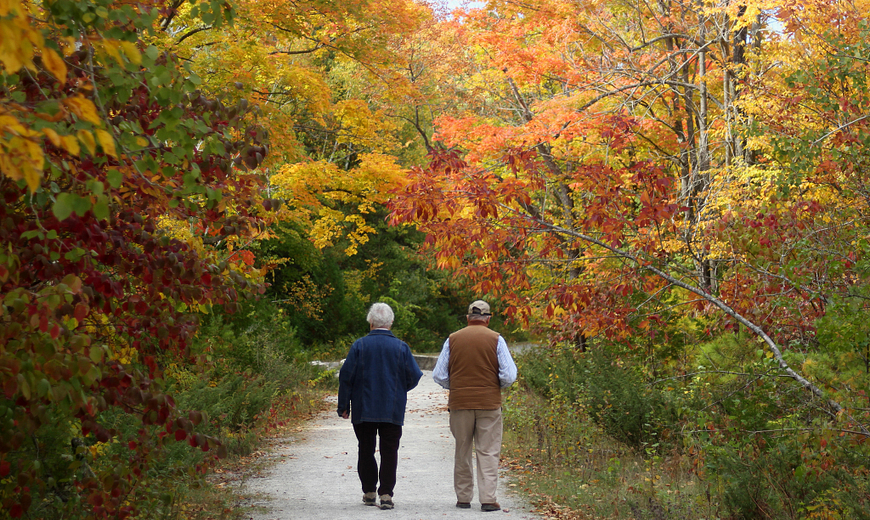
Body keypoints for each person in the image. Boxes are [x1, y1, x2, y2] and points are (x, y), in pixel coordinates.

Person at [433, 299, 518, 512]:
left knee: (462, 449)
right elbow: (509, 375)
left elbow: (439, 374)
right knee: (488, 451)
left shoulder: (452, 339)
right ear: (488, 319)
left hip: (460, 403)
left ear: (468, 318)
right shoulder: (497, 339)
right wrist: (494, 386)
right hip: (489, 404)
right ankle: (488, 498)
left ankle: (463, 497)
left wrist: (457, 386)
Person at [337, 302, 423, 510]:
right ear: (391, 322)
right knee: (389, 450)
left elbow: (346, 376)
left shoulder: (359, 346)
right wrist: (399, 391)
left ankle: (369, 491)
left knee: (365, 449)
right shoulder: (402, 347)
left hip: (363, 408)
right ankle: (386, 494)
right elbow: (414, 376)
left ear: (371, 322)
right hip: (392, 408)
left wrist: (344, 405)